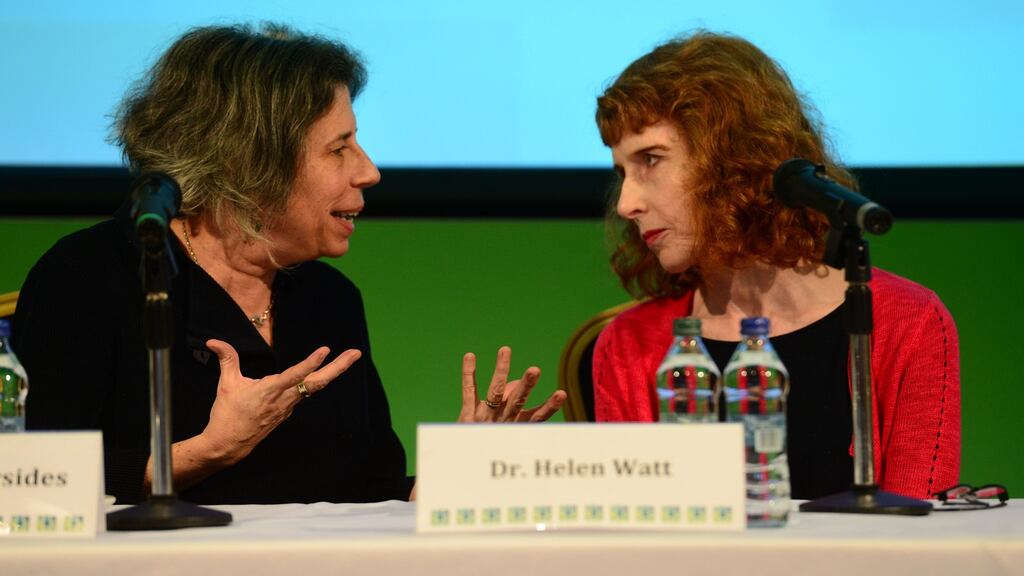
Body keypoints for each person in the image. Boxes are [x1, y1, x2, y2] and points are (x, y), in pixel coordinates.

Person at [13, 23, 563, 505]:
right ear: (249, 164)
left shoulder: (328, 298)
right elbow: (30, 482)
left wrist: (465, 470)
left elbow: (367, 491)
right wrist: (209, 451)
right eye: (338, 149)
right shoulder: (88, 277)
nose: (369, 171)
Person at [591, 31, 960, 500]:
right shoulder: (631, 346)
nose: (626, 203)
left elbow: (923, 548)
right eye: (622, 173)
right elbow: (635, 548)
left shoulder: (908, 323)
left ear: (733, 157)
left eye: (651, 160)